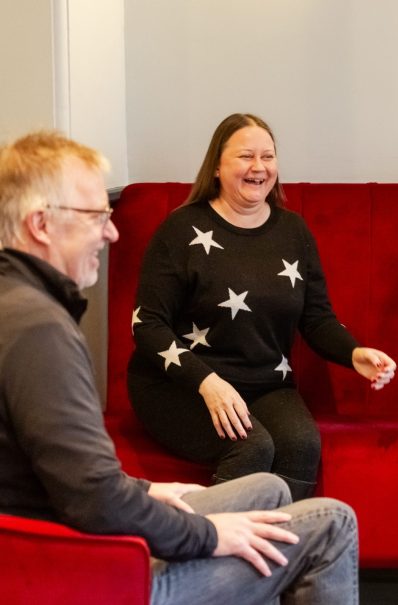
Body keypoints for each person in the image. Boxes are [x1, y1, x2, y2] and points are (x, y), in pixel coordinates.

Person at [0, 131, 359, 604]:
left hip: (74, 537)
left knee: (270, 491)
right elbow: (94, 497)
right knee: (331, 524)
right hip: (87, 573)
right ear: (41, 224)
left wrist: (146, 491)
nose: (111, 233)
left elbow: (64, 475)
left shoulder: (19, 306)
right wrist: (209, 536)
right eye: (95, 217)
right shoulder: (39, 330)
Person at [128, 114, 396, 501]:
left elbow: (316, 318)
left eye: (268, 156)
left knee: (302, 445)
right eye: (246, 156)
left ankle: (281, 555)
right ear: (217, 167)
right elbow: (148, 326)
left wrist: (354, 353)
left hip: (264, 382)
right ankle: (204, 548)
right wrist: (208, 383)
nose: (259, 167)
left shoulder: (293, 232)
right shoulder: (181, 229)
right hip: (180, 386)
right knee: (253, 446)